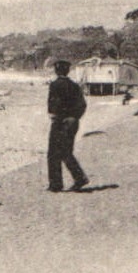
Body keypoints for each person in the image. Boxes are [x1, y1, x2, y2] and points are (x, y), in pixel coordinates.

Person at [47, 59, 91, 193]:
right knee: (66, 152)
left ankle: (57, 184)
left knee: (53, 153)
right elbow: (82, 105)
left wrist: (54, 114)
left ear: (56, 70)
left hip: (60, 122)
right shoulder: (74, 85)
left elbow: (53, 104)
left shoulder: (55, 85)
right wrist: (74, 116)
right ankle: (79, 178)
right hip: (73, 122)